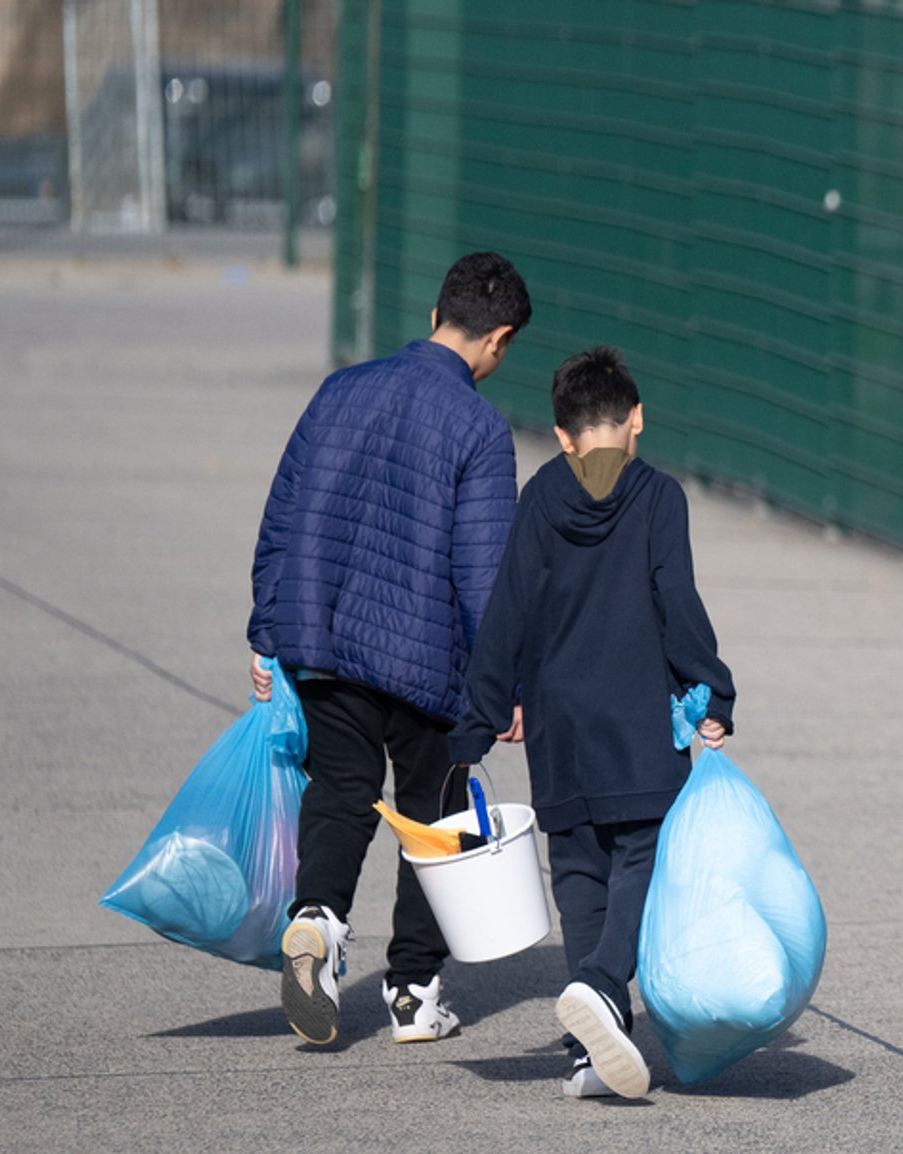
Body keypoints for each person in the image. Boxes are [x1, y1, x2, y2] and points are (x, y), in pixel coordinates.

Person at [248, 251, 531, 1045]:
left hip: (325, 638)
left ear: (434, 314)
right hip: (425, 655)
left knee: (340, 790)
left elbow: (281, 516)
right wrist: (502, 679)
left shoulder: (340, 389)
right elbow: (483, 575)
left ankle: (317, 924)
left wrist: (266, 630)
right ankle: (413, 991)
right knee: (433, 816)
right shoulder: (479, 427)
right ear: (499, 339)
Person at [450, 345, 734, 1100]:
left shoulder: (543, 493)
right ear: (637, 418)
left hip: (560, 726)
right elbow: (678, 604)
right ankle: (606, 986)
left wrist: (476, 720)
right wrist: (714, 691)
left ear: (564, 434)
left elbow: (508, 607)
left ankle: (587, 1055)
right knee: (642, 854)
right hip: (638, 720)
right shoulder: (658, 498)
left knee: (578, 871)